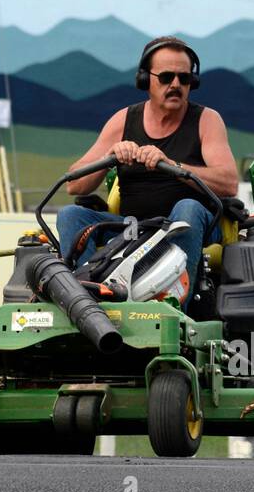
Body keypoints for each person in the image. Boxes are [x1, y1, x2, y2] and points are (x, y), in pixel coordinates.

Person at [55, 36, 238, 307]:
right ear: (145, 80)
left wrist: (175, 166)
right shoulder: (123, 120)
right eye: (166, 77)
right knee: (71, 215)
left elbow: (229, 183)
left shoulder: (206, 120)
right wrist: (110, 157)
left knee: (186, 209)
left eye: (183, 78)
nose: (175, 85)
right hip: (132, 228)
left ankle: (175, 312)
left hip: (188, 223)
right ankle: (91, 302)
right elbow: (74, 186)